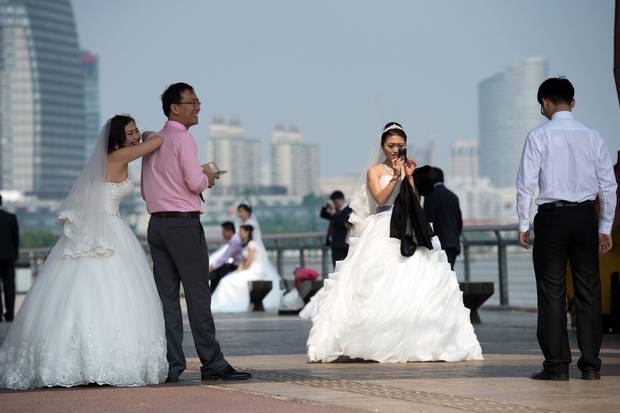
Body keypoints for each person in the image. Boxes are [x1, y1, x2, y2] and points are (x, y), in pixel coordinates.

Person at [0, 115, 168, 388]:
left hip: (100, 227)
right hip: (109, 227)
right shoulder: (120, 156)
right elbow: (158, 142)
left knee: (80, 292)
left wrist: (140, 134)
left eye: (136, 130)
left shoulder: (111, 157)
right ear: (118, 138)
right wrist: (149, 133)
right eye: (130, 131)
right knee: (109, 292)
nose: (136, 135)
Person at [304, 122, 482, 363]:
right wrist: (395, 177)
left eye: (400, 145)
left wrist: (409, 178)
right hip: (382, 226)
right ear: (382, 146)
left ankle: (421, 339)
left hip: (408, 226)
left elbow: (416, 201)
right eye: (391, 145)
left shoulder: (407, 170)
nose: (396, 150)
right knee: (376, 280)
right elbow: (380, 199)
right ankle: (372, 340)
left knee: (419, 282)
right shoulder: (375, 171)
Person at [142, 82, 250, 382]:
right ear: (175, 108)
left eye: (198, 101)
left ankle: (172, 365)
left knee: (167, 299)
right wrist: (207, 178)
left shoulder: (155, 141)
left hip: (157, 225)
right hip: (183, 225)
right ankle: (212, 362)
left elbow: (146, 189)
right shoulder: (183, 140)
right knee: (198, 296)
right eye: (192, 102)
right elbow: (193, 182)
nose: (198, 107)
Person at [516, 77, 617, 381]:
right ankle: (590, 365)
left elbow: (526, 185)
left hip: (551, 218)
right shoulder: (593, 136)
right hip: (586, 217)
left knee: (551, 292)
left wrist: (523, 223)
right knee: (589, 290)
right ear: (573, 102)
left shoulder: (538, 136)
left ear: (545, 102)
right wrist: (605, 227)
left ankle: (557, 366)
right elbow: (609, 187)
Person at [234, 203, 283, 311]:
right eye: (239, 211)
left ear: (248, 212)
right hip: (246, 253)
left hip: (253, 253)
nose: (240, 214)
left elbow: (252, 243)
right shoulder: (241, 225)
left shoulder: (251, 225)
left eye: (242, 211)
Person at [211, 225, 269, 312]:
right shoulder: (244, 244)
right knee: (227, 279)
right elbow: (243, 261)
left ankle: (229, 303)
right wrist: (238, 271)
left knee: (228, 280)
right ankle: (225, 302)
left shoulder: (252, 244)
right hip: (248, 269)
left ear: (247, 232)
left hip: (254, 270)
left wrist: (240, 271)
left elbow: (248, 263)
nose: (239, 234)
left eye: (241, 231)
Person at [423, 167, 463, 270]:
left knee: (438, 275)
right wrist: (454, 237)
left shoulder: (430, 196)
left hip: (437, 243)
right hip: (452, 243)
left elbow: (428, 220)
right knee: (449, 273)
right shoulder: (453, 196)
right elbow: (459, 222)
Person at [320, 191, 353, 268]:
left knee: (341, 268)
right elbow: (323, 214)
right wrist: (328, 205)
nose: (335, 204)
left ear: (341, 199)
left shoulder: (348, 210)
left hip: (342, 245)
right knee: (335, 268)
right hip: (334, 244)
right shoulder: (334, 210)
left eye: (335, 202)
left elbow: (347, 225)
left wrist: (335, 214)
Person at [209, 221, 244, 293]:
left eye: (223, 232)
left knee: (216, 274)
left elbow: (225, 257)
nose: (222, 234)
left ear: (230, 231)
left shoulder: (235, 241)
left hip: (238, 266)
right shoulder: (235, 239)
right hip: (236, 264)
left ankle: (213, 294)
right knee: (218, 270)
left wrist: (212, 266)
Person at [0, 195, 19, 322]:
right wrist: (15, 255)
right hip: (8, 257)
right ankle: (10, 314)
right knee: (9, 286)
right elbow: (15, 240)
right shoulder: (10, 218)